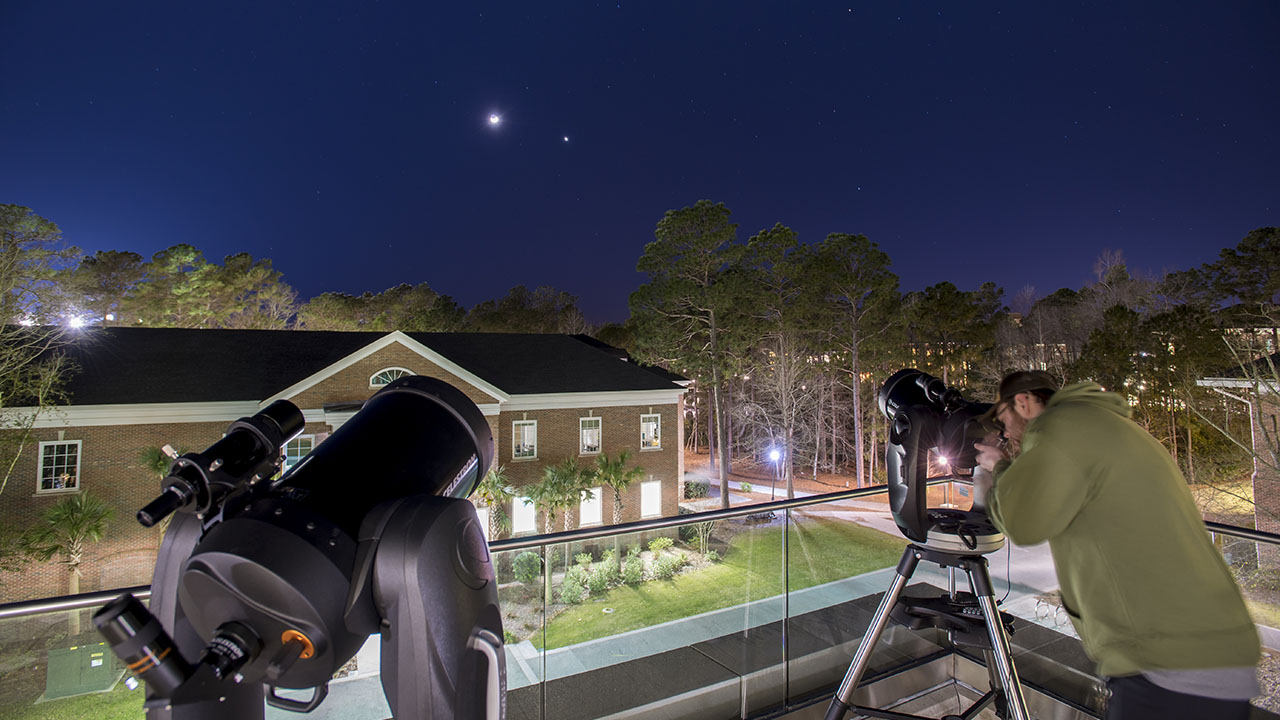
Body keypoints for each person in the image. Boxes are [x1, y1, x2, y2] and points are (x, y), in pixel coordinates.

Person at [972, 370, 1260, 720]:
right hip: (1207, 648)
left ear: (1023, 403)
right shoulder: (1106, 427)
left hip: (1164, 661)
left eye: (1004, 420)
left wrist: (997, 470)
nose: (1006, 433)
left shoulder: (1060, 430)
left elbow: (1023, 522)